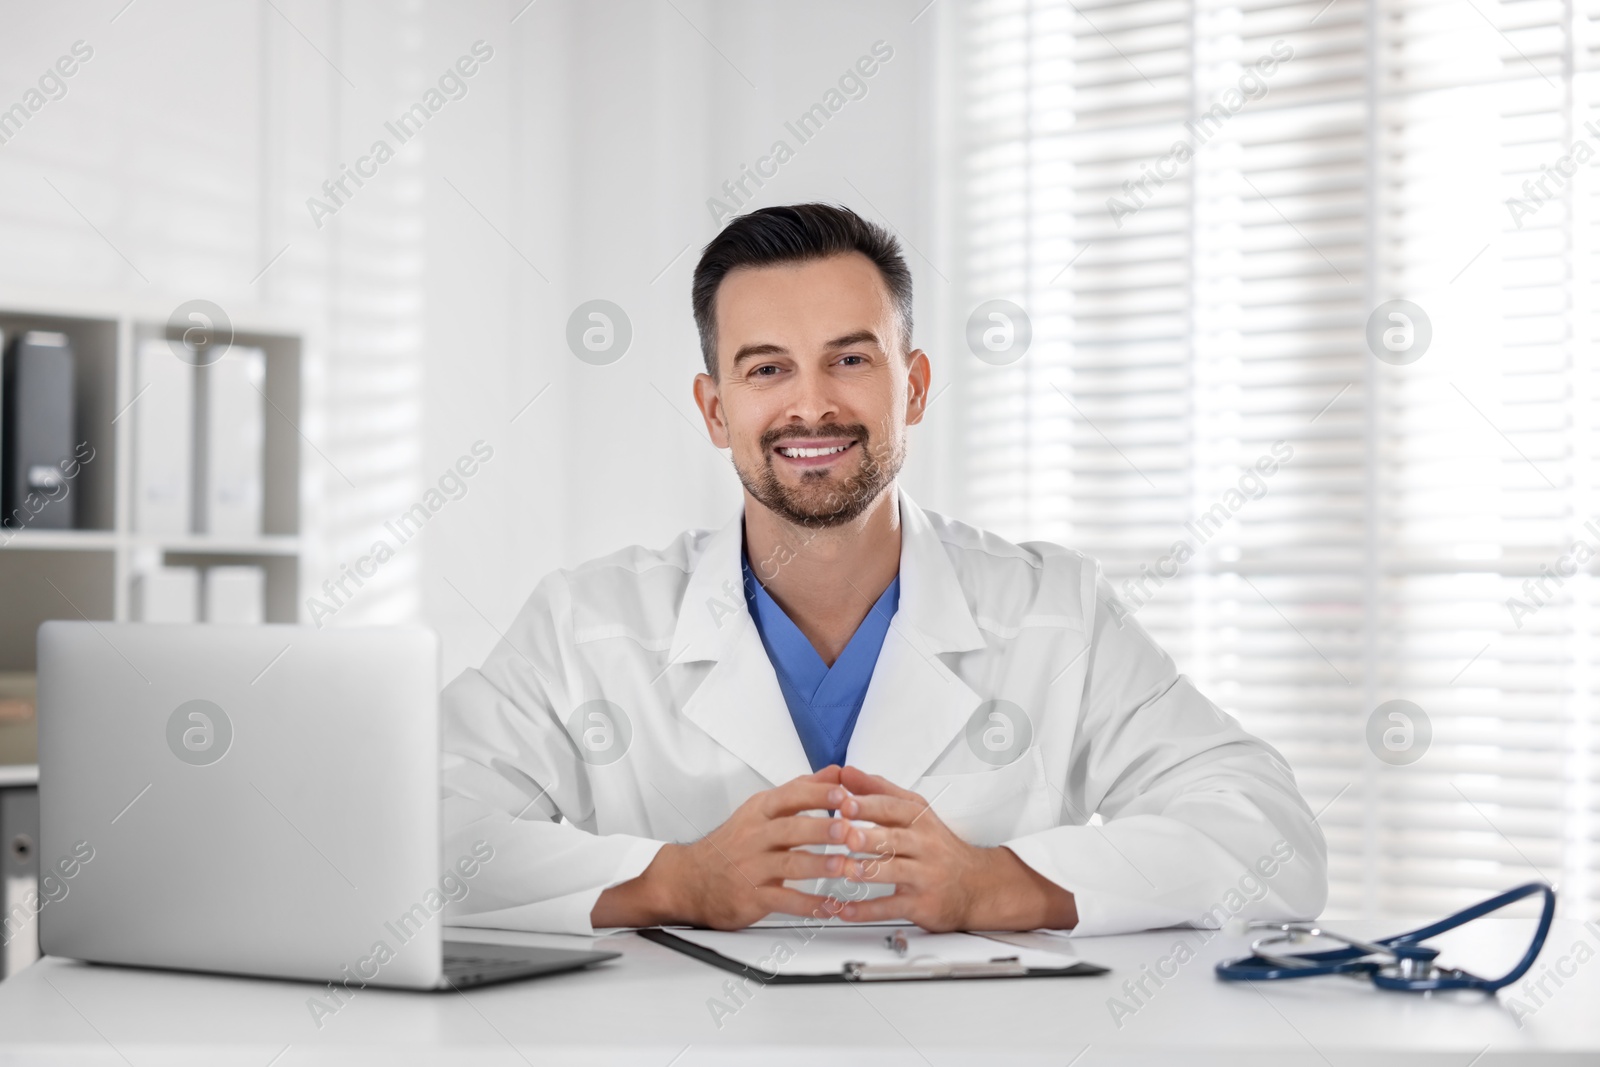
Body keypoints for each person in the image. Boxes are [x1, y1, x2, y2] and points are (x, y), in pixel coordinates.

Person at [442, 203, 1326, 937]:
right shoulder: (588, 623)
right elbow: (412, 833)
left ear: (914, 387)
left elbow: (1271, 836)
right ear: (717, 409)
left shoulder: (1055, 612)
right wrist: (674, 881)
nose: (812, 402)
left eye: (851, 358)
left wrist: (1001, 883)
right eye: (767, 368)